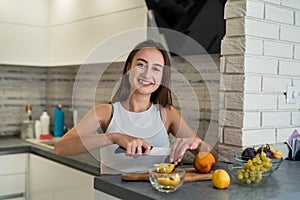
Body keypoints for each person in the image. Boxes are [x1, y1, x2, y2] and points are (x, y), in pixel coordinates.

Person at [54, 39, 217, 174]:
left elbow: (212, 158)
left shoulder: (168, 114)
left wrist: (197, 144)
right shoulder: (105, 112)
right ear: (128, 68)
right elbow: (61, 148)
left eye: (156, 69)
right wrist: (113, 137)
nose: (147, 74)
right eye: (141, 65)